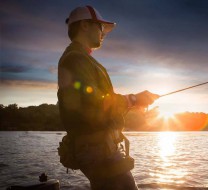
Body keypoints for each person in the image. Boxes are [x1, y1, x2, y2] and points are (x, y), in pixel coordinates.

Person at [57, 5, 159, 190]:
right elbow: (91, 99)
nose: (103, 33)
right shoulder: (75, 59)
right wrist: (133, 99)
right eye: (100, 27)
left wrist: (131, 103)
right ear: (85, 26)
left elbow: (97, 104)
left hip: (100, 148)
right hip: (96, 149)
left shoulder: (82, 58)